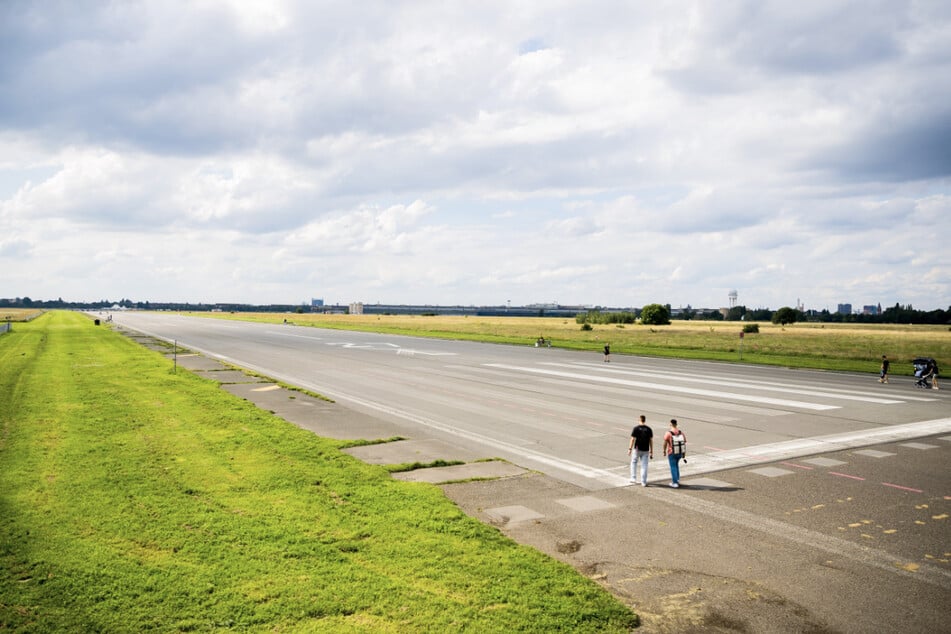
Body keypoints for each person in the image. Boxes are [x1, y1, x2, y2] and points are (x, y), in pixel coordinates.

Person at [627, 415, 653, 486]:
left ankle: (633, 478)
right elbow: (651, 441)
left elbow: (632, 439)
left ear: (639, 420)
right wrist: (651, 451)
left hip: (637, 449)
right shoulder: (649, 429)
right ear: (645, 420)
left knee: (634, 462)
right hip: (646, 449)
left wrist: (629, 449)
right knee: (644, 465)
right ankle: (643, 481)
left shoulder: (636, 428)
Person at [663, 419, 687, 488]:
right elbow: (684, 443)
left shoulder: (668, 433)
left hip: (672, 452)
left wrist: (664, 451)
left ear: (670, 424)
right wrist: (684, 453)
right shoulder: (681, 432)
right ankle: (677, 479)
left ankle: (675, 482)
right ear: (676, 424)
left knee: (673, 467)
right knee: (676, 466)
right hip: (679, 452)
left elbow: (665, 443)